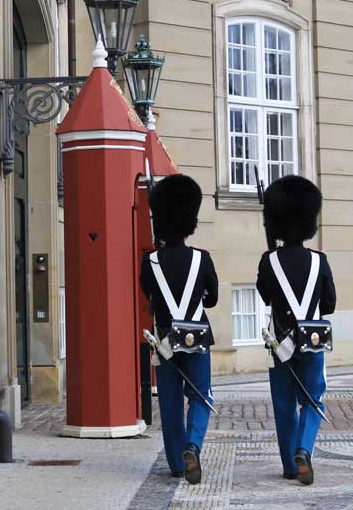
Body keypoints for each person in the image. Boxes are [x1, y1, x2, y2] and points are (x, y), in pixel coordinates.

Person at [256, 175, 336, 486]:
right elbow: (329, 303)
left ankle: (290, 464)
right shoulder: (320, 261)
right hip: (313, 340)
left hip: (280, 343)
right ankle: (305, 449)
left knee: (284, 403)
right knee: (313, 398)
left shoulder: (268, 261)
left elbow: (265, 296)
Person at [139, 174, 218, 484]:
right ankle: (193, 447)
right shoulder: (202, 259)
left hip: (165, 340)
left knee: (170, 400)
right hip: (198, 336)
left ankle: (175, 461)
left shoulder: (151, 261)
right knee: (200, 395)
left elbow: (149, 294)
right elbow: (212, 299)